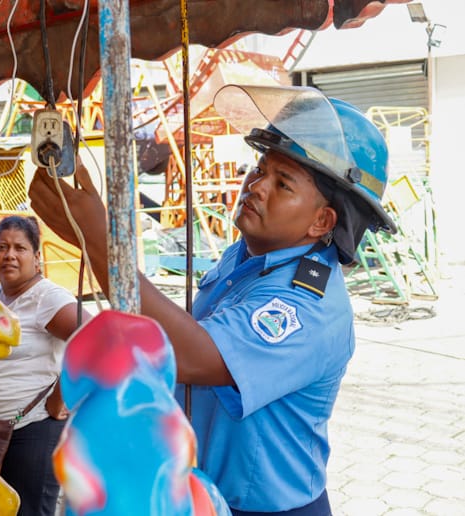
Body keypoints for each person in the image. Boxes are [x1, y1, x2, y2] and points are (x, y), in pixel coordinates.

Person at [28, 84, 396, 516]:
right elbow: (189, 331)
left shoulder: (307, 306)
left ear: (322, 221)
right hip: (199, 494)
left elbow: (192, 354)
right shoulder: (249, 255)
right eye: (260, 169)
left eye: (282, 184)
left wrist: (104, 243)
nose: (256, 187)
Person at [0, 215, 90, 516]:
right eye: (2, 247)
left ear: (36, 256)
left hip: (31, 432)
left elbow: (94, 337)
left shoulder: (47, 297)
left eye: (20, 248)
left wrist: (61, 396)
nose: (9, 255)